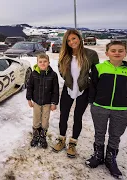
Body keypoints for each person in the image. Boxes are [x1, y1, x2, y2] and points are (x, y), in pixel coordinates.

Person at [85, 41, 127, 178]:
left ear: (125, 53)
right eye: (113, 50)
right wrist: (92, 103)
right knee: (99, 133)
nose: (117, 53)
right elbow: (93, 86)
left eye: (120, 50)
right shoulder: (99, 68)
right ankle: (98, 155)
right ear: (107, 53)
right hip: (100, 108)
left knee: (115, 135)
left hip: (121, 110)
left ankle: (110, 159)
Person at [52, 29, 99, 158]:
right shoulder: (64, 55)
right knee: (63, 115)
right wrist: (67, 80)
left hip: (83, 90)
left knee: (77, 117)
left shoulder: (91, 54)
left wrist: (88, 83)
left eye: (74, 38)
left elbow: (95, 73)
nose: (72, 42)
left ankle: (72, 143)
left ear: (79, 38)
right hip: (68, 89)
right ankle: (61, 140)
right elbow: (61, 70)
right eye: (68, 40)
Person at [26, 53, 59, 149]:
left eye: (45, 61)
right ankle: (36, 136)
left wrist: (54, 103)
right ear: (37, 62)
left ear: (49, 62)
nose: (43, 63)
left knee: (45, 121)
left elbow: (55, 90)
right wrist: (29, 99)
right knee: (36, 119)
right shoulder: (34, 74)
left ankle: (42, 136)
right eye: (40, 62)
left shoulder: (53, 75)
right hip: (36, 101)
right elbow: (30, 87)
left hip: (47, 103)